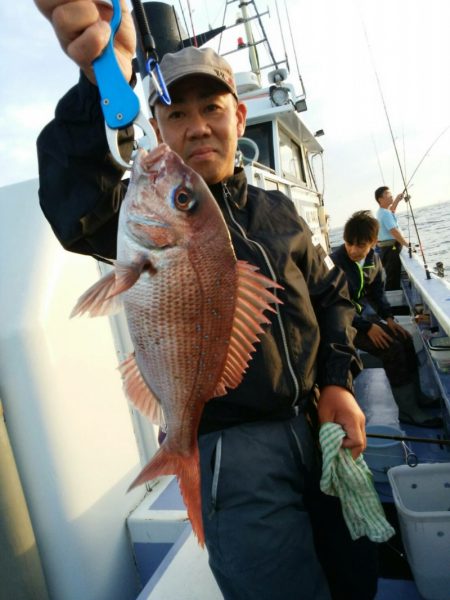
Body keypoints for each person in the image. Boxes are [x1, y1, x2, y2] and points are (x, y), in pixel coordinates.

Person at [33, 1, 378, 598]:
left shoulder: (281, 213)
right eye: (175, 112)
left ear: (239, 117)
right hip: (230, 453)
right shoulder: (140, 215)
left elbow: (332, 298)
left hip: (314, 426)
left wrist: (340, 382)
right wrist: (98, 85)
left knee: (352, 578)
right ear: (156, 126)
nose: (196, 126)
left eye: (211, 108)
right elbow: (72, 199)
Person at [331, 211, 442, 428]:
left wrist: (388, 318)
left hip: (359, 320)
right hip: (338, 324)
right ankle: (409, 412)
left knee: (406, 339)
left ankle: (417, 398)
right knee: (392, 349)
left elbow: (377, 294)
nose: (353, 250)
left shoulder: (374, 260)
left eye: (360, 245)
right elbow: (335, 304)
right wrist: (367, 326)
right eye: (348, 243)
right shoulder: (334, 263)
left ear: (373, 243)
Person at [374, 186, 409, 290]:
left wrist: (397, 200)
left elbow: (391, 210)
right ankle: (392, 302)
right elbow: (394, 232)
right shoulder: (385, 214)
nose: (391, 195)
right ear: (380, 199)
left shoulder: (383, 211)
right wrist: (408, 245)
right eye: (388, 194)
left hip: (387, 249)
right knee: (393, 277)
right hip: (391, 249)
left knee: (392, 275)